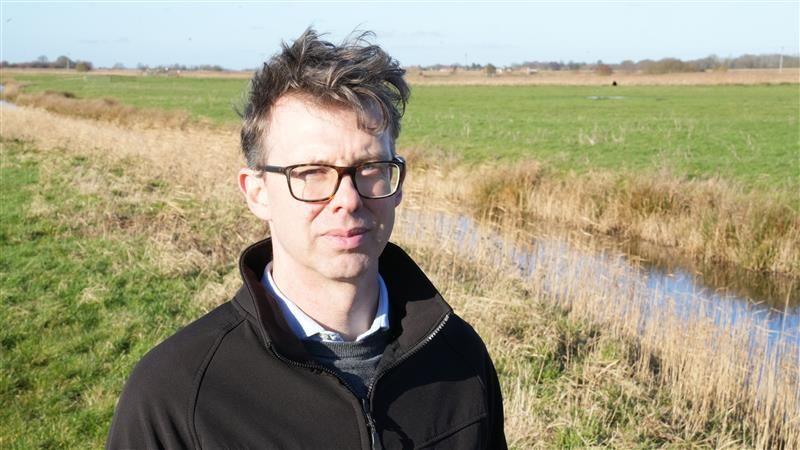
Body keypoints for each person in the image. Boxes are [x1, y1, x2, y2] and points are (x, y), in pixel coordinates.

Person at [106, 28, 506, 449]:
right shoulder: (177, 393)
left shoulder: (458, 356)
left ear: (398, 181)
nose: (348, 200)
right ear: (257, 192)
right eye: (311, 173)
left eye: (370, 167)